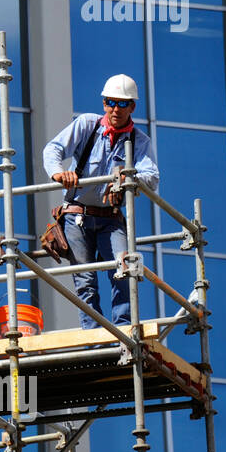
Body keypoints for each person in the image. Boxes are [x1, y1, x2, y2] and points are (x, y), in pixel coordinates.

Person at [42, 74, 159, 329]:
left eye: (121, 103)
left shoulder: (138, 141)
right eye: (110, 102)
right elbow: (53, 149)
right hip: (77, 216)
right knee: (84, 281)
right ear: (104, 103)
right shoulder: (88, 125)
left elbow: (152, 178)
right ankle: (93, 336)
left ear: (132, 107)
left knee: (124, 272)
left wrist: (128, 178)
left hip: (110, 219)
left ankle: (124, 330)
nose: (115, 109)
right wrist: (58, 173)